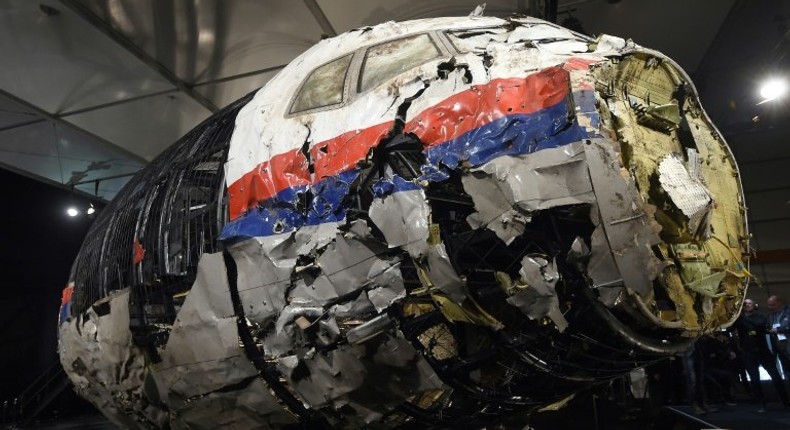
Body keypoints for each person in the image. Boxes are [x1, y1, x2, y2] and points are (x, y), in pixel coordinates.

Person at [733, 298, 790, 412]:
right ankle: (761, 404)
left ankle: (785, 401)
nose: (747, 305)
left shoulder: (762, 316)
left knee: (775, 376)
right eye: (745, 304)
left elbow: (759, 325)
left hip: (762, 350)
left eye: (749, 303)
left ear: (755, 305)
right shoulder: (738, 319)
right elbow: (729, 328)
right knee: (754, 379)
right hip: (748, 352)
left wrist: (741, 316)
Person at [767, 295, 790, 378]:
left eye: (773, 305)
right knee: (786, 371)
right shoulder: (771, 315)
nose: (771, 307)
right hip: (780, 348)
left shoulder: (788, 311)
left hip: (788, 343)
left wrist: (779, 330)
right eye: (769, 305)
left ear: (780, 302)